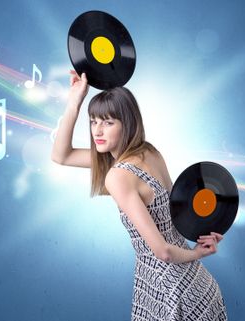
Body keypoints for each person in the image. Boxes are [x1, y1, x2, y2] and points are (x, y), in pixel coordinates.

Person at [51, 70, 228, 321]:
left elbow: (163, 252)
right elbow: (61, 156)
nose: (98, 131)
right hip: (199, 286)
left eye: (108, 122)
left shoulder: (119, 176)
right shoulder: (149, 152)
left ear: (127, 123)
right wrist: (75, 100)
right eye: (93, 121)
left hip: (167, 293)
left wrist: (199, 252)